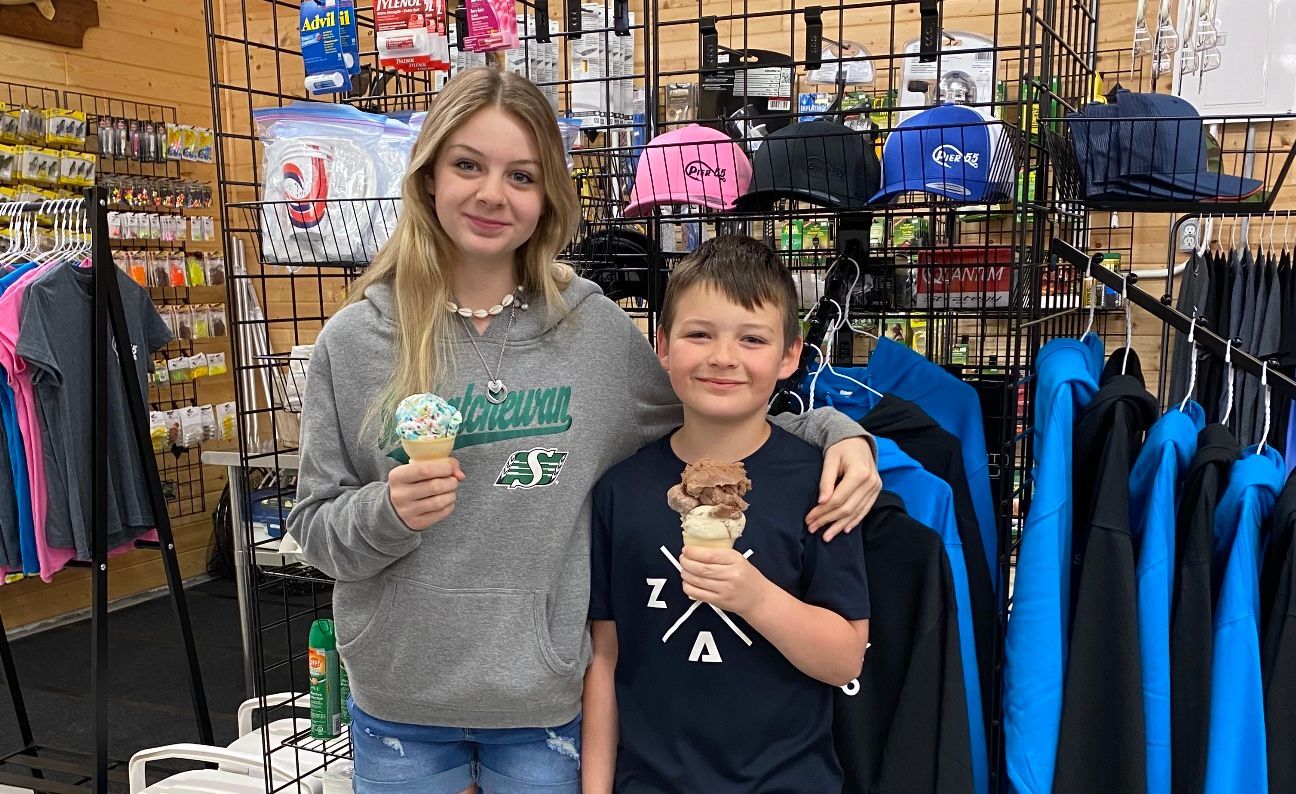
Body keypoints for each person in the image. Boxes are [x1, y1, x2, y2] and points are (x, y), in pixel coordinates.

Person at [289, 68, 880, 794]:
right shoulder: (354, 342)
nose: (490, 194)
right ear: (429, 174)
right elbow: (314, 528)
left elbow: (712, 406)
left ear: (547, 197)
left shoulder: (592, 330)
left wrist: (829, 428)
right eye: (468, 165)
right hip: (400, 708)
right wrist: (385, 513)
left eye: (522, 174)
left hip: (542, 708)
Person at [583, 235, 872, 792]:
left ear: (790, 355)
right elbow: (605, 658)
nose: (723, 357)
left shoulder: (823, 484)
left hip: (788, 781)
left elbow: (845, 660)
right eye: (699, 334)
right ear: (662, 345)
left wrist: (755, 597)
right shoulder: (619, 491)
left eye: (752, 339)